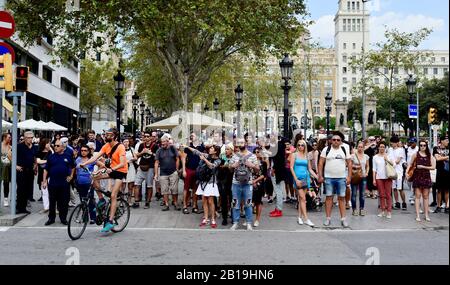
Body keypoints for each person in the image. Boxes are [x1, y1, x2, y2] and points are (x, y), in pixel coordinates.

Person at [80, 128, 128, 233]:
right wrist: (85, 163)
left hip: (120, 172)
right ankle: (101, 199)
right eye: (106, 134)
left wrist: (112, 169)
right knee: (93, 177)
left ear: (115, 136)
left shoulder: (120, 147)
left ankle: (110, 221)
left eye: (109, 135)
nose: (107, 136)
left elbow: (123, 163)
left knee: (113, 195)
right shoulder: (106, 146)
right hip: (111, 170)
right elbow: (95, 157)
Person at [318, 132, 352, 227]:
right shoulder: (326, 149)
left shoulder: (344, 149)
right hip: (328, 178)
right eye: (334, 140)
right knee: (329, 198)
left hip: (341, 178)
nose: (336, 141)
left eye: (338, 140)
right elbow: (321, 163)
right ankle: (328, 219)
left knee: (341, 198)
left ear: (341, 141)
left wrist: (349, 176)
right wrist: (320, 175)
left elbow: (349, 163)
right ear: (331, 141)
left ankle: (343, 219)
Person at [185, 145, 222, 228]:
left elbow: (212, 166)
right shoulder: (206, 155)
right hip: (203, 181)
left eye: (212, 148)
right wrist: (187, 146)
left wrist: (204, 160)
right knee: (204, 200)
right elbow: (196, 152)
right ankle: (205, 218)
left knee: (210, 201)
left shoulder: (218, 160)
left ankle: (213, 219)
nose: (210, 149)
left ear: (215, 151)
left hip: (211, 182)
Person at [42, 139, 75, 225]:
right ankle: (51, 219)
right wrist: (44, 181)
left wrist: (71, 176)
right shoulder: (51, 157)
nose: (55, 147)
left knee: (63, 202)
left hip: (64, 183)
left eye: (57, 146)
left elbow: (73, 167)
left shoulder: (68, 156)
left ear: (63, 147)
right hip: (53, 183)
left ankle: (63, 218)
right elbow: (46, 170)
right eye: (55, 145)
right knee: (52, 202)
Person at [229, 138, 259, 231]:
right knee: (235, 203)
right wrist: (233, 166)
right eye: (238, 143)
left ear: (245, 143)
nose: (240, 144)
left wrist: (252, 165)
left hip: (248, 184)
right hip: (236, 183)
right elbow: (230, 169)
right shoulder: (234, 156)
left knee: (248, 204)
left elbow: (258, 169)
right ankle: (235, 223)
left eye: (242, 142)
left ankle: (249, 223)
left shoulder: (252, 156)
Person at [289, 139, 316, 227]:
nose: (300, 146)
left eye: (302, 145)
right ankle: (306, 219)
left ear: (305, 146)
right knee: (303, 198)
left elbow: (310, 169)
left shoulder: (306, 156)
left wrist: (317, 176)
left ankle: (299, 217)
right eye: (299, 145)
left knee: (301, 199)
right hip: (298, 179)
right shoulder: (294, 155)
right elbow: (291, 167)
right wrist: (296, 179)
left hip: (306, 178)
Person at [74, 145, 102, 224]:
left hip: (89, 183)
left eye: (85, 150)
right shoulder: (78, 159)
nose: (83, 152)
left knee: (91, 200)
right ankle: (85, 217)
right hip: (80, 183)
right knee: (82, 200)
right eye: (82, 150)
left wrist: (96, 173)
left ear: (88, 151)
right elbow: (75, 169)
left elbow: (101, 165)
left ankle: (93, 217)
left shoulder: (91, 159)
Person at [410, 140, 436, 221]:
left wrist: (423, 167)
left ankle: (426, 215)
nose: (422, 147)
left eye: (424, 145)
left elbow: (433, 167)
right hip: (417, 176)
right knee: (417, 196)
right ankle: (418, 215)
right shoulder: (415, 154)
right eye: (421, 145)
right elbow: (410, 165)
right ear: (419, 146)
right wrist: (408, 173)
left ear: (426, 146)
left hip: (426, 176)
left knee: (426, 196)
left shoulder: (430, 155)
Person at [133, 131, 158, 209]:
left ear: (151, 137)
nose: (146, 138)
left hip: (150, 167)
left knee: (149, 185)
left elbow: (157, 157)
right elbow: (136, 156)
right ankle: (136, 201)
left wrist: (151, 153)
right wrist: (142, 152)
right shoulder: (141, 145)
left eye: (148, 136)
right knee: (136, 184)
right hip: (141, 167)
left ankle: (148, 202)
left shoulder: (155, 146)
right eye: (145, 136)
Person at [155, 134, 180, 211]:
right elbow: (156, 162)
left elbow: (177, 159)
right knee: (164, 190)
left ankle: (175, 203)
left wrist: (177, 169)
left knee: (174, 189)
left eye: (164, 142)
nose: (162, 143)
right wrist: (156, 174)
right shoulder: (159, 150)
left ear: (168, 142)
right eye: (161, 142)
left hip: (173, 172)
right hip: (163, 173)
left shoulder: (173, 148)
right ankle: (166, 204)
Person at [181, 133, 205, 214]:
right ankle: (185, 206)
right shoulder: (188, 146)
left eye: (193, 135)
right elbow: (183, 158)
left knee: (195, 189)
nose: (191, 136)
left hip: (197, 170)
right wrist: (184, 170)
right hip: (189, 169)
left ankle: (195, 206)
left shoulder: (201, 147)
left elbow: (202, 156)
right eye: (191, 135)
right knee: (186, 188)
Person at [16, 131, 37, 214]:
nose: (30, 139)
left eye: (32, 137)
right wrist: (15, 166)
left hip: (30, 171)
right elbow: (10, 154)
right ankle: (18, 208)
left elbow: (35, 156)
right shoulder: (19, 146)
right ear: (24, 138)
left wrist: (35, 165)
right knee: (21, 190)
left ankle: (23, 208)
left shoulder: (34, 147)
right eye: (28, 138)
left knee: (28, 190)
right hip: (21, 170)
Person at [373, 142, 394, 219]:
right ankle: (382, 211)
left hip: (388, 177)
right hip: (379, 177)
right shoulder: (375, 157)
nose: (382, 148)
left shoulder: (389, 155)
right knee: (381, 195)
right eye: (380, 147)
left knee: (388, 195)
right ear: (378, 148)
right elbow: (374, 169)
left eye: (383, 147)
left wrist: (387, 159)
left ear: (385, 148)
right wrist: (374, 179)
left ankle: (389, 211)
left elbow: (393, 164)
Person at [269, 138, 288, 218]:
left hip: (277, 171)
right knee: (278, 190)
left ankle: (279, 210)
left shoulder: (277, 146)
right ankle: (277, 208)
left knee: (278, 191)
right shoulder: (279, 146)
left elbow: (277, 160)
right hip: (279, 171)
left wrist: (273, 169)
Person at [350, 141, 370, 216]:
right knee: (354, 194)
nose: (360, 148)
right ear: (357, 147)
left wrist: (367, 172)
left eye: (362, 147)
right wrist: (355, 167)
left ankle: (362, 209)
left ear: (364, 148)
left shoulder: (366, 156)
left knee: (362, 194)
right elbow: (349, 166)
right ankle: (354, 209)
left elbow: (368, 166)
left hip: (363, 176)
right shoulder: (353, 156)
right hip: (355, 176)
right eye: (359, 147)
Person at [217, 143, 234, 225]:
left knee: (232, 200)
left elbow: (234, 170)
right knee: (224, 200)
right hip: (223, 182)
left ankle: (233, 217)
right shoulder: (222, 158)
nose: (226, 151)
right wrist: (223, 166)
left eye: (228, 149)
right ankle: (224, 218)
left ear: (232, 150)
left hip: (233, 182)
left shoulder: (235, 158)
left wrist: (229, 166)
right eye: (225, 149)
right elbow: (219, 168)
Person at [388, 136, 407, 210]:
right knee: (394, 188)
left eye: (392, 142)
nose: (391, 144)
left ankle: (404, 202)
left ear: (396, 143)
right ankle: (397, 202)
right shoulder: (390, 150)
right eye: (391, 143)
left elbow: (398, 161)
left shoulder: (401, 150)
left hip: (399, 172)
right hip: (391, 171)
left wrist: (391, 162)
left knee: (400, 188)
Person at [36, 138, 53, 211]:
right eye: (47, 143)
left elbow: (54, 157)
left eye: (49, 143)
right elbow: (38, 161)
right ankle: (46, 207)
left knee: (51, 190)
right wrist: (48, 161)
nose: (48, 144)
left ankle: (52, 206)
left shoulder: (51, 151)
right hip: (41, 172)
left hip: (51, 172)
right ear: (43, 144)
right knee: (44, 190)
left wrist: (51, 149)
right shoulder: (39, 152)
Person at [433, 136, 449, 213]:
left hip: (447, 171)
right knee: (439, 190)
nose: (447, 142)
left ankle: (447, 206)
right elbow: (437, 158)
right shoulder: (436, 148)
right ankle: (438, 206)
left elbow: (440, 158)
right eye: (446, 140)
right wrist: (447, 157)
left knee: (447, 190)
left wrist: (442, 157)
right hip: (439, 171)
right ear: (442, 141)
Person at [252, 147, 267, 227]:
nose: (256, 153)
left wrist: (255, 181)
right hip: (250, 183)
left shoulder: (263, 163)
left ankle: (257, 219)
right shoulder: (250, 162)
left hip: (259, 184)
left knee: (258, 202)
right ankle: (249, 218)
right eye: (254, 152)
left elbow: (264, 175)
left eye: (258, 152)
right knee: (250, 202)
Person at [123, 138, 137, 206]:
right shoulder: (121, 149)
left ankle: (129, 200)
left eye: (127, 142)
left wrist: (131, 160)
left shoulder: (132, 149)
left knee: (130, 186)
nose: (126, 143)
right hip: (123, 168)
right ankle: (122, 201)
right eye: (124, 142)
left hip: (131, 168)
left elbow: (135, 157)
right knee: (122, 185)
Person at [1, 133, 12, 207]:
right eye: (9, 137)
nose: (10, 138)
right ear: (4, 138)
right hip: (1, 166)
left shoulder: (10, 147)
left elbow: (11, 158)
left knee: (6, 183)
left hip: (7, 167)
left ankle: (5, 199)